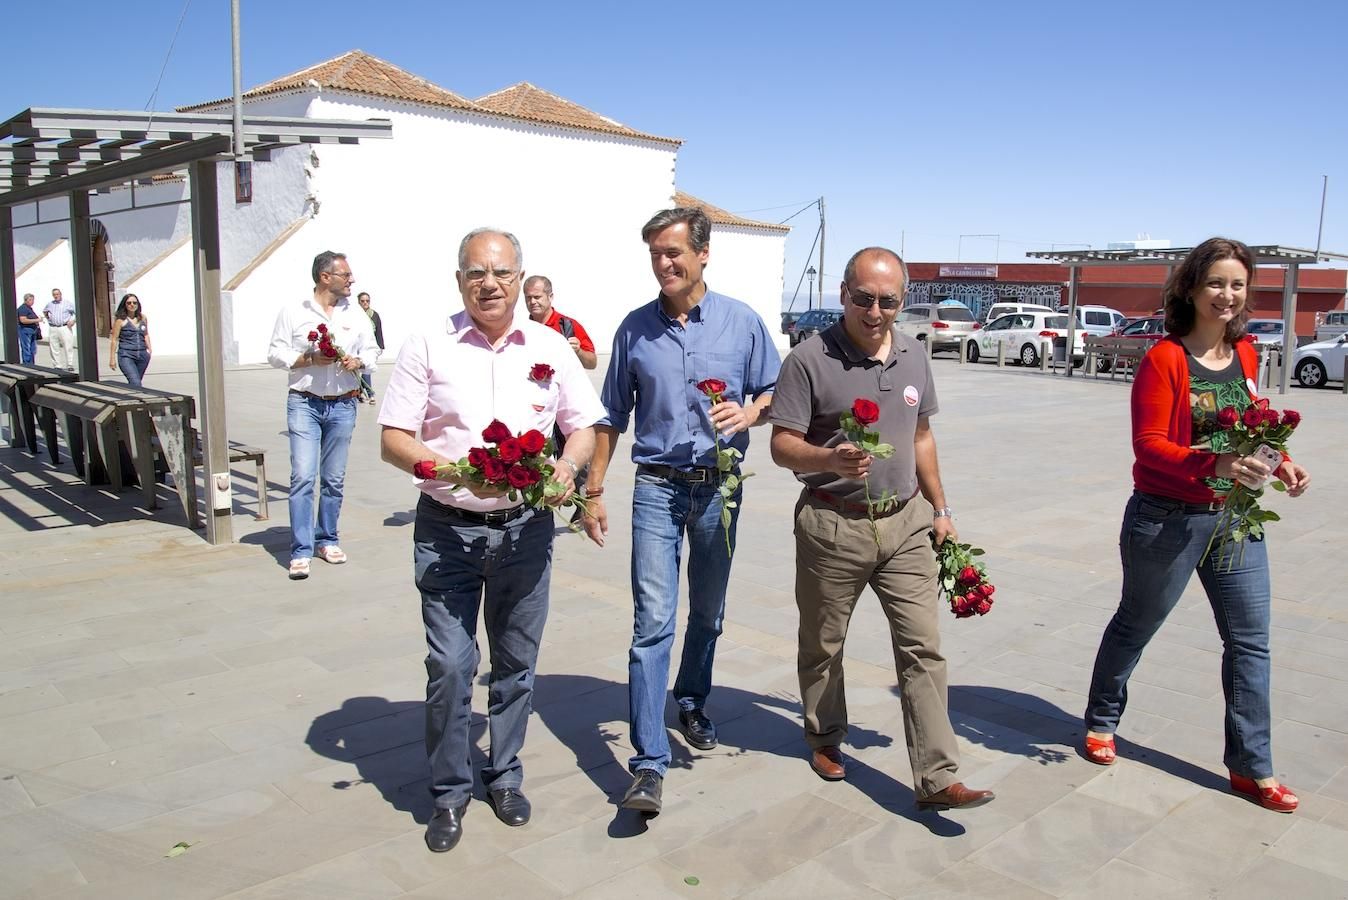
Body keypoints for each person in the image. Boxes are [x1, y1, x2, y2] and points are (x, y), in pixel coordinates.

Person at [378, 228, 605, 853]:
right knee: (450, 667)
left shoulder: (550, 344)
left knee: (515, 663)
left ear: (520, 277)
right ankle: (449, 793)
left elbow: (582, 425)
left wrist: (566, 469)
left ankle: (504, 774)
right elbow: (393, 437)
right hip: (448, 531)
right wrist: (452, 471)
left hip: (525, 534)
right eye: (477, 273)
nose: (490, 284)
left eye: (502, 273)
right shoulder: (429, 343)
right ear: (459, 280)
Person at [1083, 237, 1310, 813]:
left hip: (1234, 519)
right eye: (1216, 283)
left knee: (1250, 643)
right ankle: (1102, 719)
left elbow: (1254, 424)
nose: (1227, 295)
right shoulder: (1165, 358)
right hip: (1167, 519)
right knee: (1137, 623)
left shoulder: (1249, 354)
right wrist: (1215, 464)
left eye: (1237, 284)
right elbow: (1149, 446)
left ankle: (1252, 768)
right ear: (1190, 288)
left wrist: (1279, 463)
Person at [767, 246, 994, 811]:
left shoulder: (915, 355)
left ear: (902, 300)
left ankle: (937, 777)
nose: (874, 311)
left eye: (887, 300)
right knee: (823, 644)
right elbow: (780, 444)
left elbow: (920, 437)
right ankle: (823, 735)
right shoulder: (808, 360)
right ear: (843, 293)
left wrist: (941, 509)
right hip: (832, 525)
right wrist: (829, 459)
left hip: (907, 523)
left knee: (923, 647)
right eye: (863, 298)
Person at [584, 206, 781, 814]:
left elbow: (778, 389)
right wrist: (593, 490)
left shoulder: (742, 323)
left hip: (720, 486)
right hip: (657, 489)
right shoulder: (633, 330)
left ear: (703, 254)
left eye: (673, 253)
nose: (663, 264)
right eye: (654, 255)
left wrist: (750, 413)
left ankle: (692, 700)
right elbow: (611, 417)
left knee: (710, 612)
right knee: (652, 621)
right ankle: (648, 763)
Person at [267, 251, 379, 580]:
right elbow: (275, 352)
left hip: (343, 403)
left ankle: (327, 538)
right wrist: (308, 358)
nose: (352, 280)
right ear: (324, 277)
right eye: (345, 274)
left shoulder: (356, 314)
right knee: (303, 476)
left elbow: (372, 351)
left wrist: (359, 362)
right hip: (304, 402)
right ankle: (301, 549)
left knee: (333, 478)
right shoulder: (294, 311)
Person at [524, 275, 597, 370]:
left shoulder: (568, 325)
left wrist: (578, 351)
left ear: (550, 297)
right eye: (528, 297)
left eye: (537, 297)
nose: (532, 301)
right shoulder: (521, 328)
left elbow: (592, 364)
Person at [108, 294, 152, 387]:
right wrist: (112, 358)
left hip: (142, 355)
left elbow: (146, 334)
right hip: (126, 355)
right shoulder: (120, 321)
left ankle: (132, 398)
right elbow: (114, 339)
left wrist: (149, 349)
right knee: (136, 383)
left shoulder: (143, 318)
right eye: (129, 303)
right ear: (125, 305)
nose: (132, 305)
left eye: (134, 303)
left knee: (135, 384)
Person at [356, 291, 384, 402]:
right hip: (358, 346)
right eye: (362, 301)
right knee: (359, 371)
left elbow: (378, 331)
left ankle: (367, 393)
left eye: (367, 301)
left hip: (370, 346)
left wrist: (380, 345)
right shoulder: (355, 315)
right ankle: (365, 393)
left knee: (366, 369)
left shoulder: (374, 315)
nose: (365, 303)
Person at [42, 288, 75, 371]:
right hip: (53, 327)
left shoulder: (67, 303)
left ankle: (70, 364)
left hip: (64, 327)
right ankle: (57, 365)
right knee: (54, 347)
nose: (56, 296)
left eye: (57, 294)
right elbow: (45, 311)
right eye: (54, 294)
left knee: (68, 346)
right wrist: (48, 319)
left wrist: (73, 321)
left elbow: (76, 312)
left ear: (61, 294)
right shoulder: (50, 304)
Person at [16, 294, 41, 365]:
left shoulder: (29, 308)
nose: (32, 301)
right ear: (26, 300)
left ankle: (31, 363)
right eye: (30, 300)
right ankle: (27, 364)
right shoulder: (23, 308)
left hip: (32, 331)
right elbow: (23, 320)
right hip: (25, 330)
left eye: (33, 300)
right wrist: (36, 320)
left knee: (33, 349)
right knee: (26, 348)